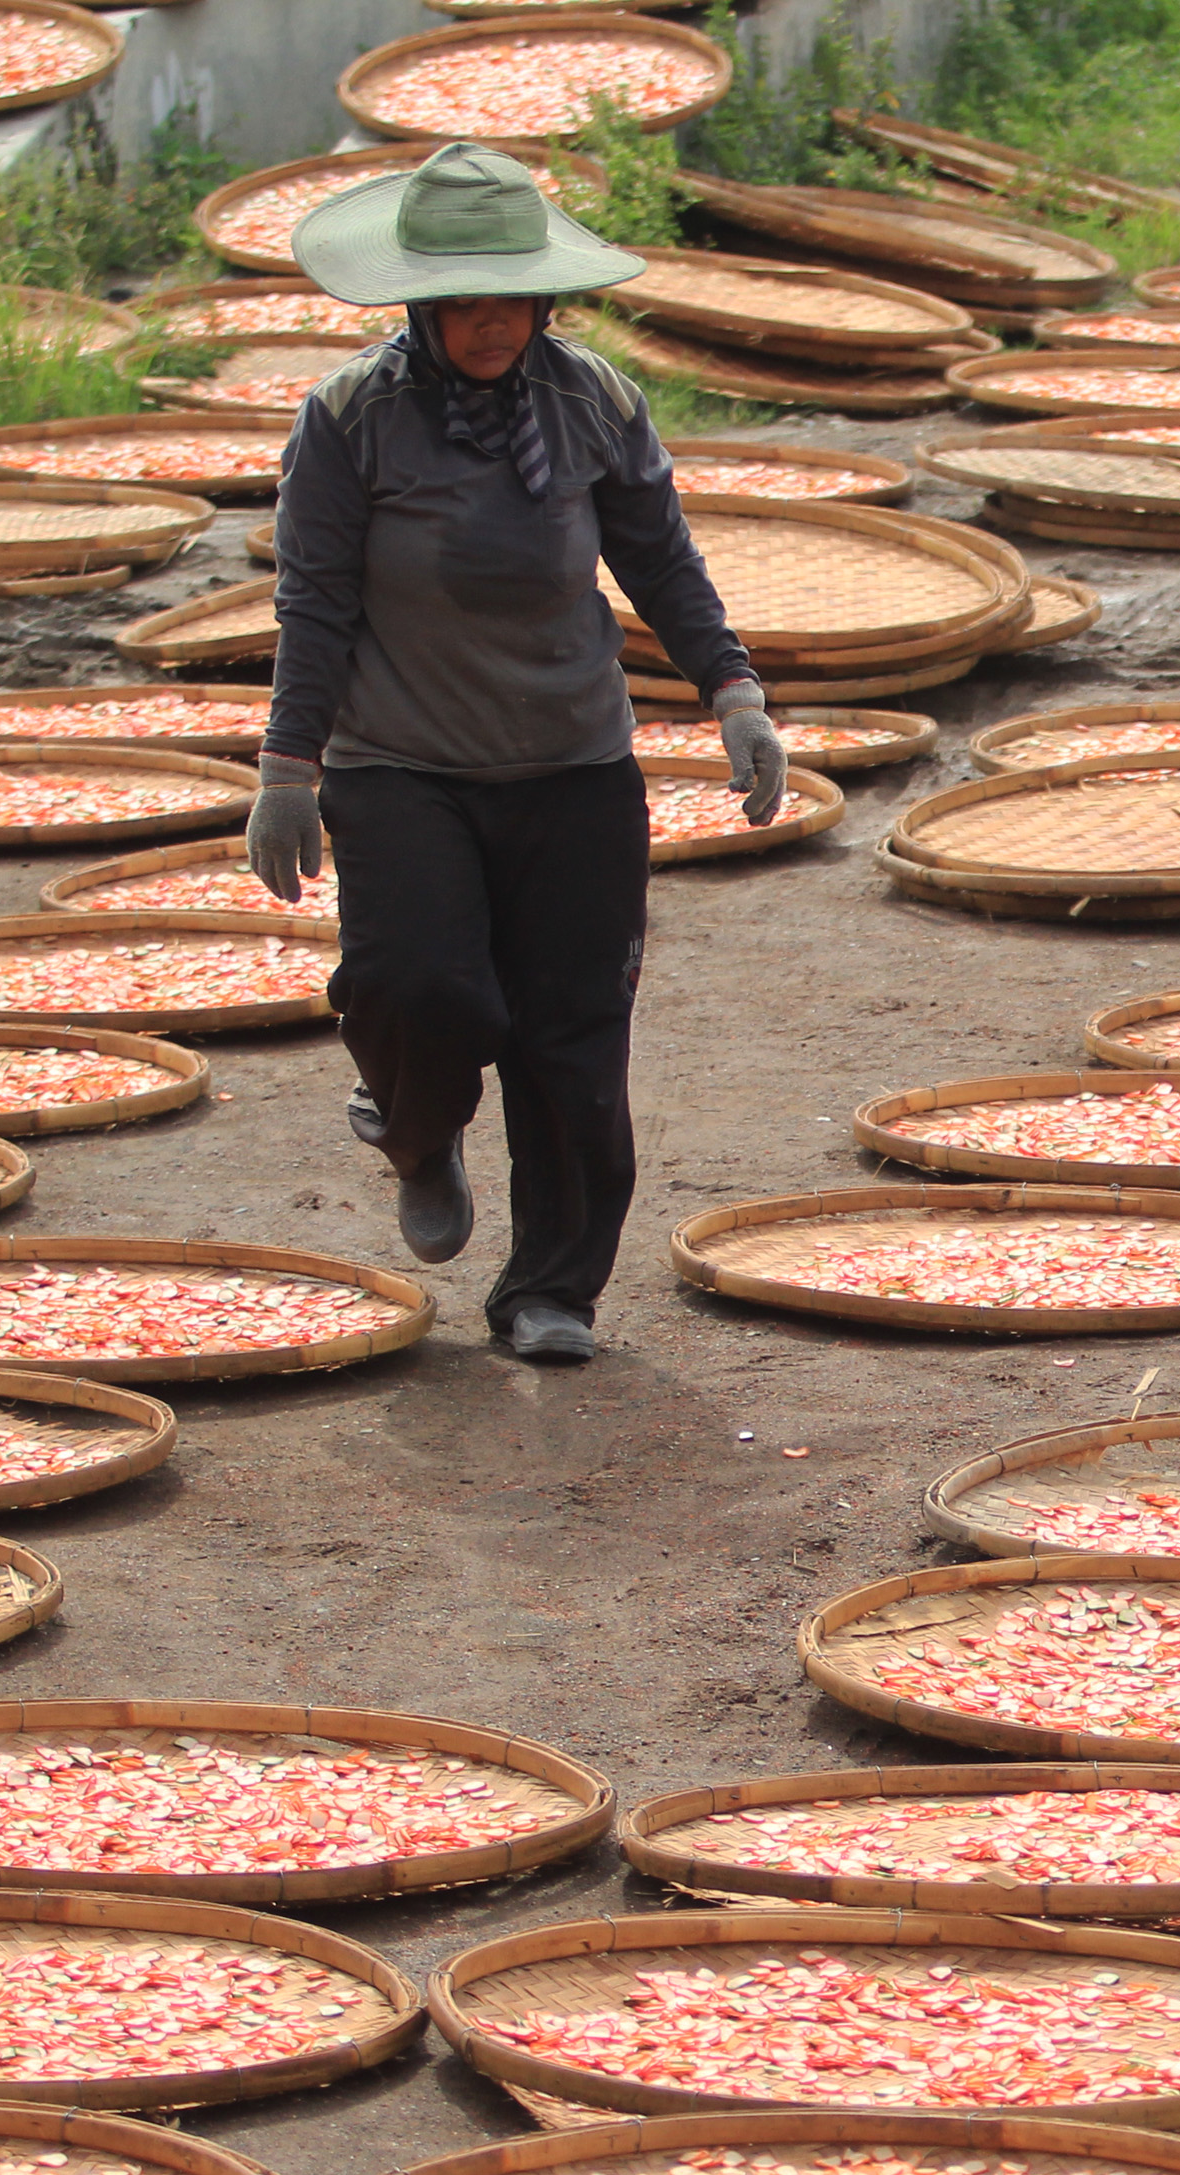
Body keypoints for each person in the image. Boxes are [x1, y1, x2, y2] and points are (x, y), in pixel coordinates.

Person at [248, 140, 787, 1366]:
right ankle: (417, 1127)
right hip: (402, 767)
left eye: (513, 301)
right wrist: (288, 772)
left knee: (574, 1038)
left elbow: (659, 559)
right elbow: (314, 600)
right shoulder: (350, 420)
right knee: (420, 989)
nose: (492, 327)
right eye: (465, 305)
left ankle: (553, 1289)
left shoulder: (592, 399)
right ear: (419, 303)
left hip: (574, 767)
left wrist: (735, 691)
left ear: (545, 301)